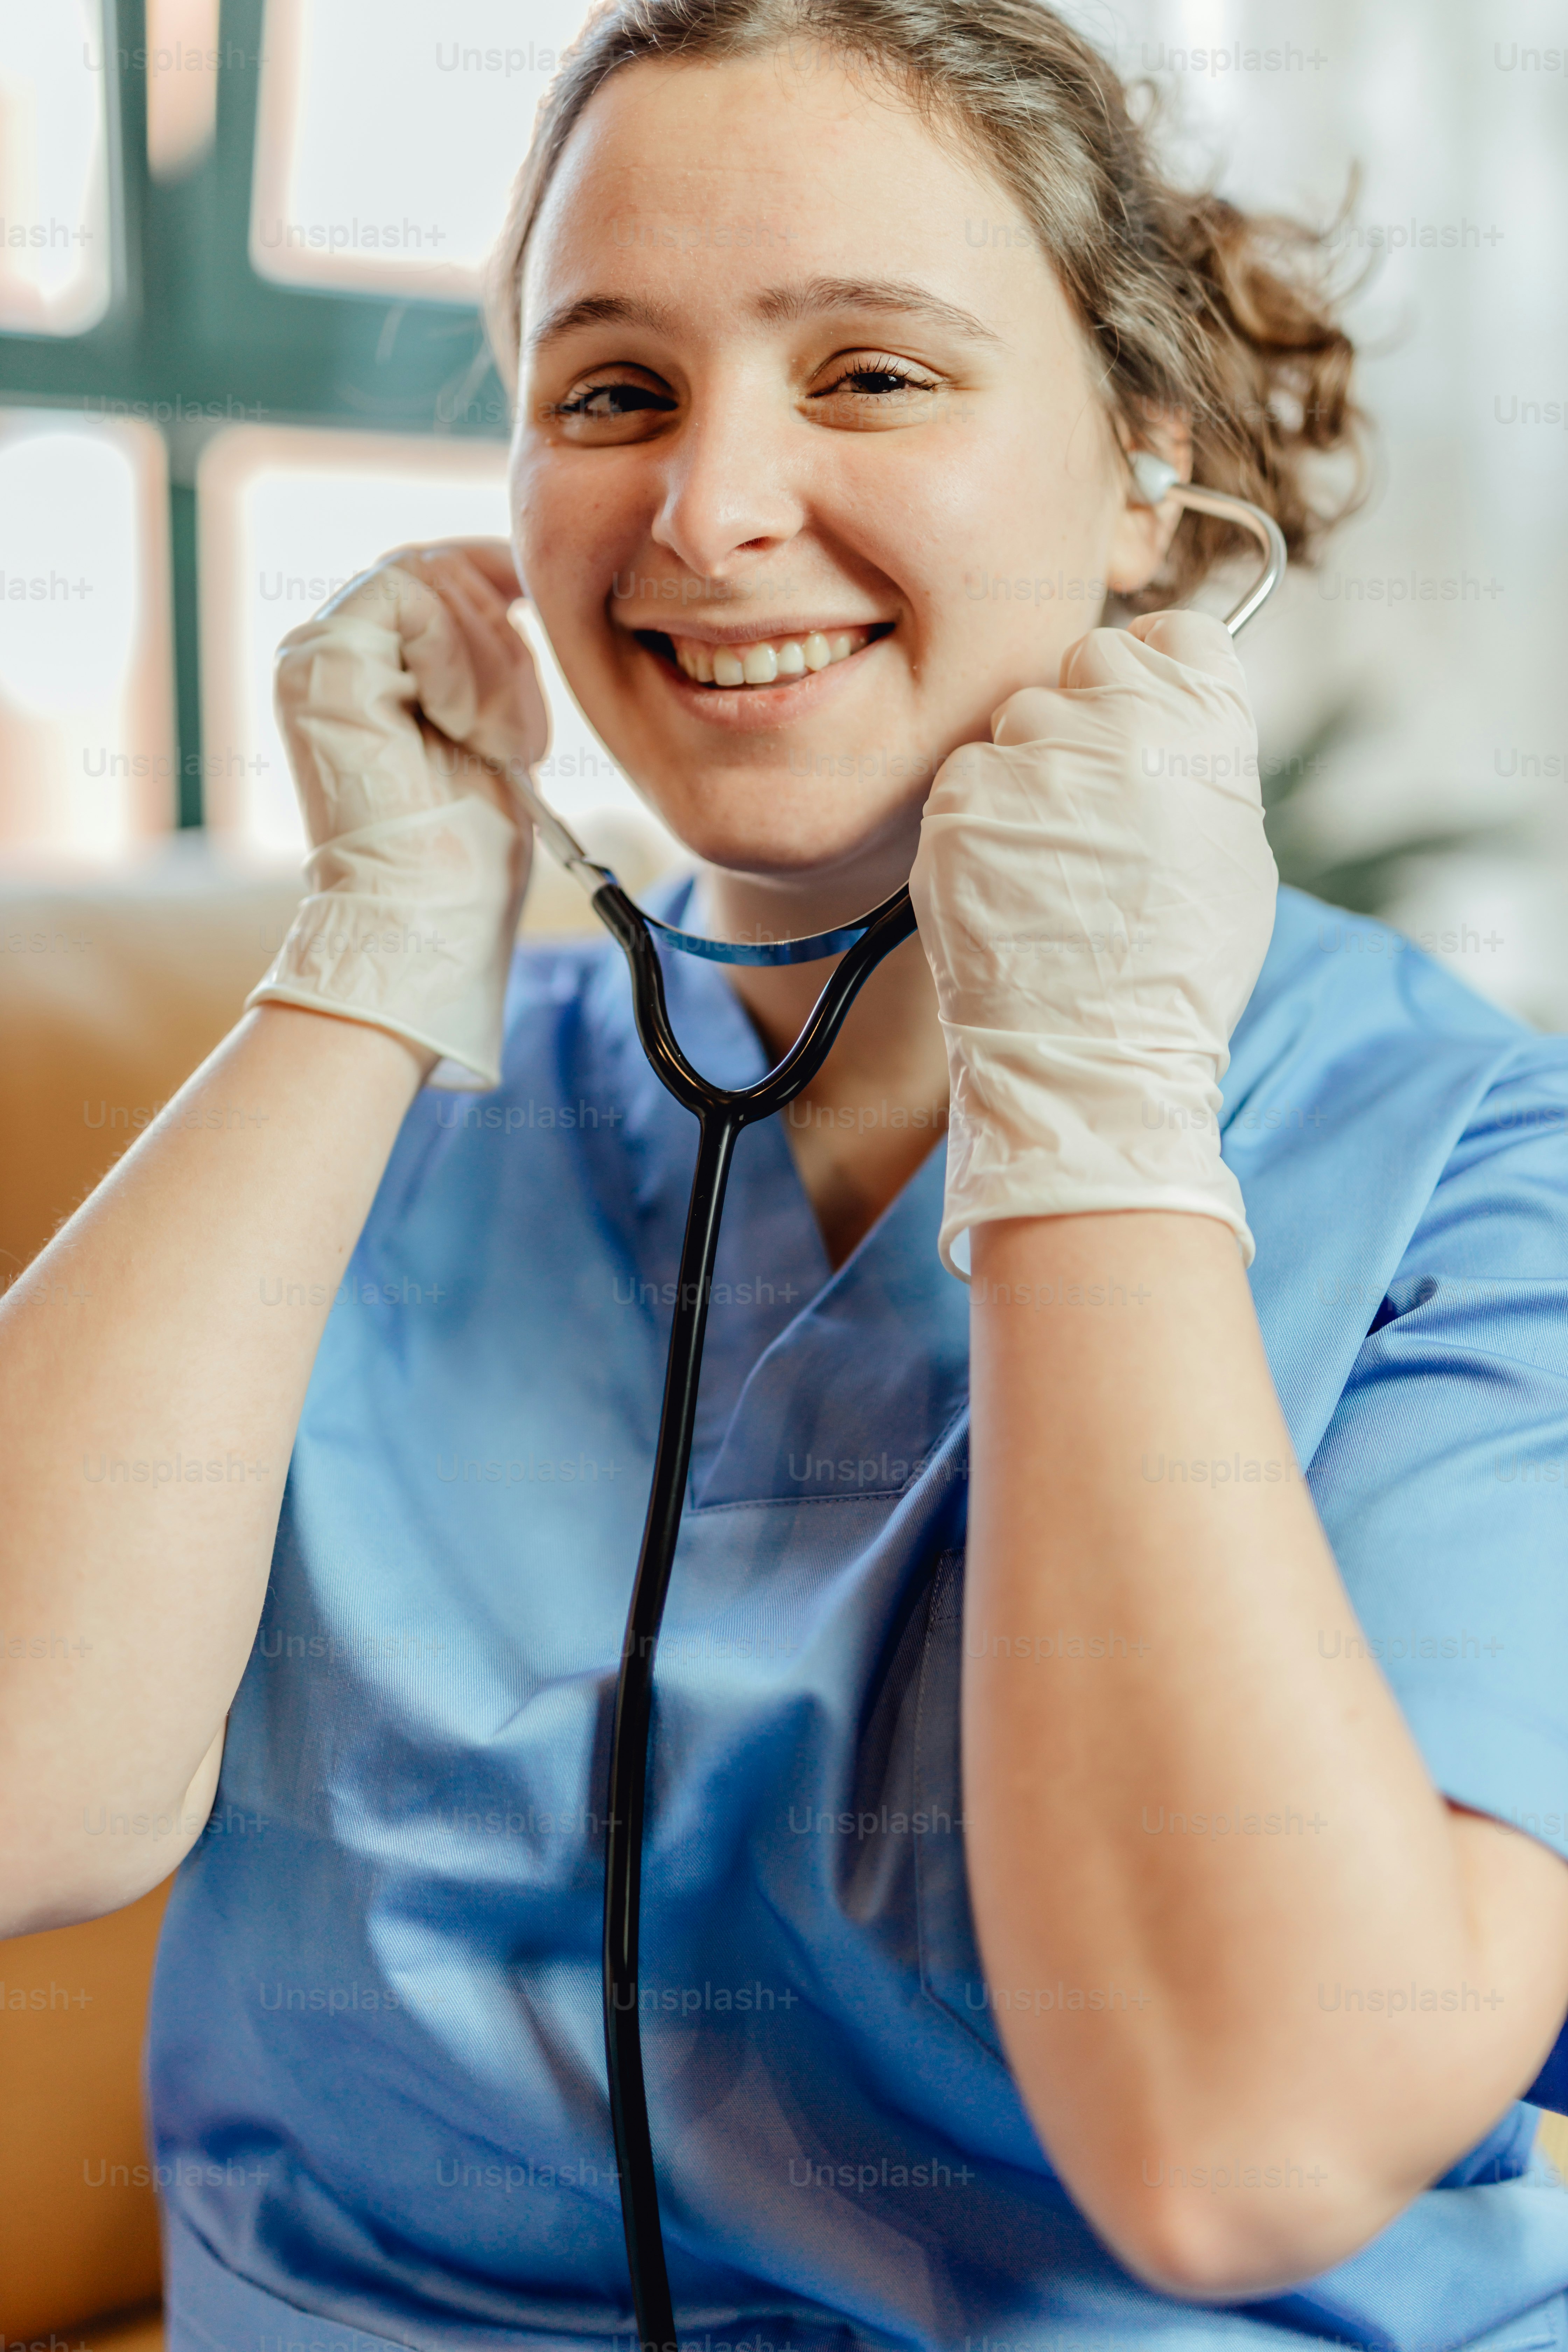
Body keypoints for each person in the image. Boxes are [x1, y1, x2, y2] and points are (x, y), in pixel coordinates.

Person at [4, 3, 1568, 2346]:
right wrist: (360, 966)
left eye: (871, 375)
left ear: (1151, 470)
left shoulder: (1465, 1171)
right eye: (611, 392)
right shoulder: (369, 1135)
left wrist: (1100, 1102)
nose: (711, 510)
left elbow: (1243, 2147)